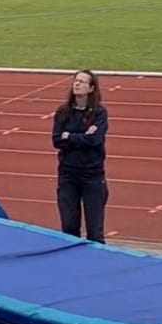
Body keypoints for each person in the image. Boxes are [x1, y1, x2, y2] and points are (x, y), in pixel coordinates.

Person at [51, 70, 109, 243]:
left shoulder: (99, 113)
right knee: (69, 228)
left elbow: (95, 140)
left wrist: (69, 136)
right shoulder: (63, 112)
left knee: (95, 232)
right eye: (76, 81)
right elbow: (56, 140)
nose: (77, 84)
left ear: (91, 88)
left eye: (82, 82)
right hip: (68, 176)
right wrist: (83, 136)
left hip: (93, 176)